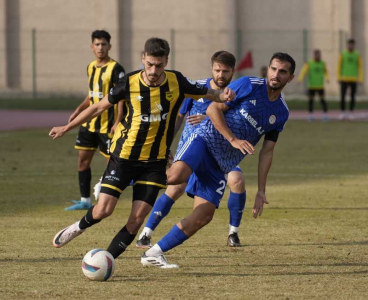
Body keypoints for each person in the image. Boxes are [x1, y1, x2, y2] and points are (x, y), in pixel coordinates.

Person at [49, 37, 235, 261]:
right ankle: (78, 227)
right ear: (143, 59)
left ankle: (105, 261)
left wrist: (225, 95)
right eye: (150, 64)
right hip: (124, 157)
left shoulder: (177, 81)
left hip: (155, 164)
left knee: (136, 220)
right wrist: (67, 127)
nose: (154, 70)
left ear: (166, 61)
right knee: (103, 210)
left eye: (159, 65)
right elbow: (98, 106)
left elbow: (209, 92)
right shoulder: (129, 82)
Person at [141, 52, 295, 268]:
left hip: (221, 163)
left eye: (282, 72)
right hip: (204, 139)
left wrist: (261, 190)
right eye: (273, 69)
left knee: (204, 215)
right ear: (267, 69)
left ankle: (153, 253)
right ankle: (125, 177)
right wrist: (233, 139)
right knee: (176, 178)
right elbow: (213, 108)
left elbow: (267, 152)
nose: (276, 75)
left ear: (291, 77)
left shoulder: (281, 112)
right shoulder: (249, 84)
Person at [136, 51, 246, 249]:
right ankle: (146, 233)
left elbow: (235, 121)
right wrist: (166, 145)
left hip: (219, 155)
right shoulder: (197, 89)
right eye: (217, 70)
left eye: (226, 71)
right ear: (212, 68)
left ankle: (233, 233)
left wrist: (208, 118)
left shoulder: (235, 95)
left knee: (237, 180)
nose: (221, 75)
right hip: (191, 150)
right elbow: (177, 118)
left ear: (233, 71)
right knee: (175, 186)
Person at [65, 30, 125, 211]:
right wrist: (78, 110)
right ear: (92, 47)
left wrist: (118, 121)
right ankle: (85, 200)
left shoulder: (116, 69)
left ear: (109, 46)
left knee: (111, 164)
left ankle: (105, 198)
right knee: (82, 161)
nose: (100, 47)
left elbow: (121, 97)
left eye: (104, 44)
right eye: (97, 44)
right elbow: (92, 94)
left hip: (108, 126)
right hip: (88, 125)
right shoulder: (90, 67)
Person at [297, 49, 329, 122]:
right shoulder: (309, 63)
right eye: (316, 54)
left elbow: (326, 72)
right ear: (314, 55)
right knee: (311, 101)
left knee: (322, 101)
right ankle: (311, 116)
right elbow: (303, 71)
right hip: (311, 86)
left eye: (319, 54)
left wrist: (327, 78)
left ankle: (325, 116)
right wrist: (300, 79)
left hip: (320, 86)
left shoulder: (322, 63)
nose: (318, 56)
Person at [337, 39, 363, 120]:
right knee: (342, 96)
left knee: (352, 97)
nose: (350, 46)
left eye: (352, 44)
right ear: (347, 45)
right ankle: (342, 113)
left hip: (354, 79)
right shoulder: (343, 54)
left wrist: (361, 78)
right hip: (344, 78)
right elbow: (339, 66)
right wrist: (338, 77)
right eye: (349, 44)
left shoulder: (357, 54)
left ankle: (351, 113)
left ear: (354, 45)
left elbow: (361, 67)